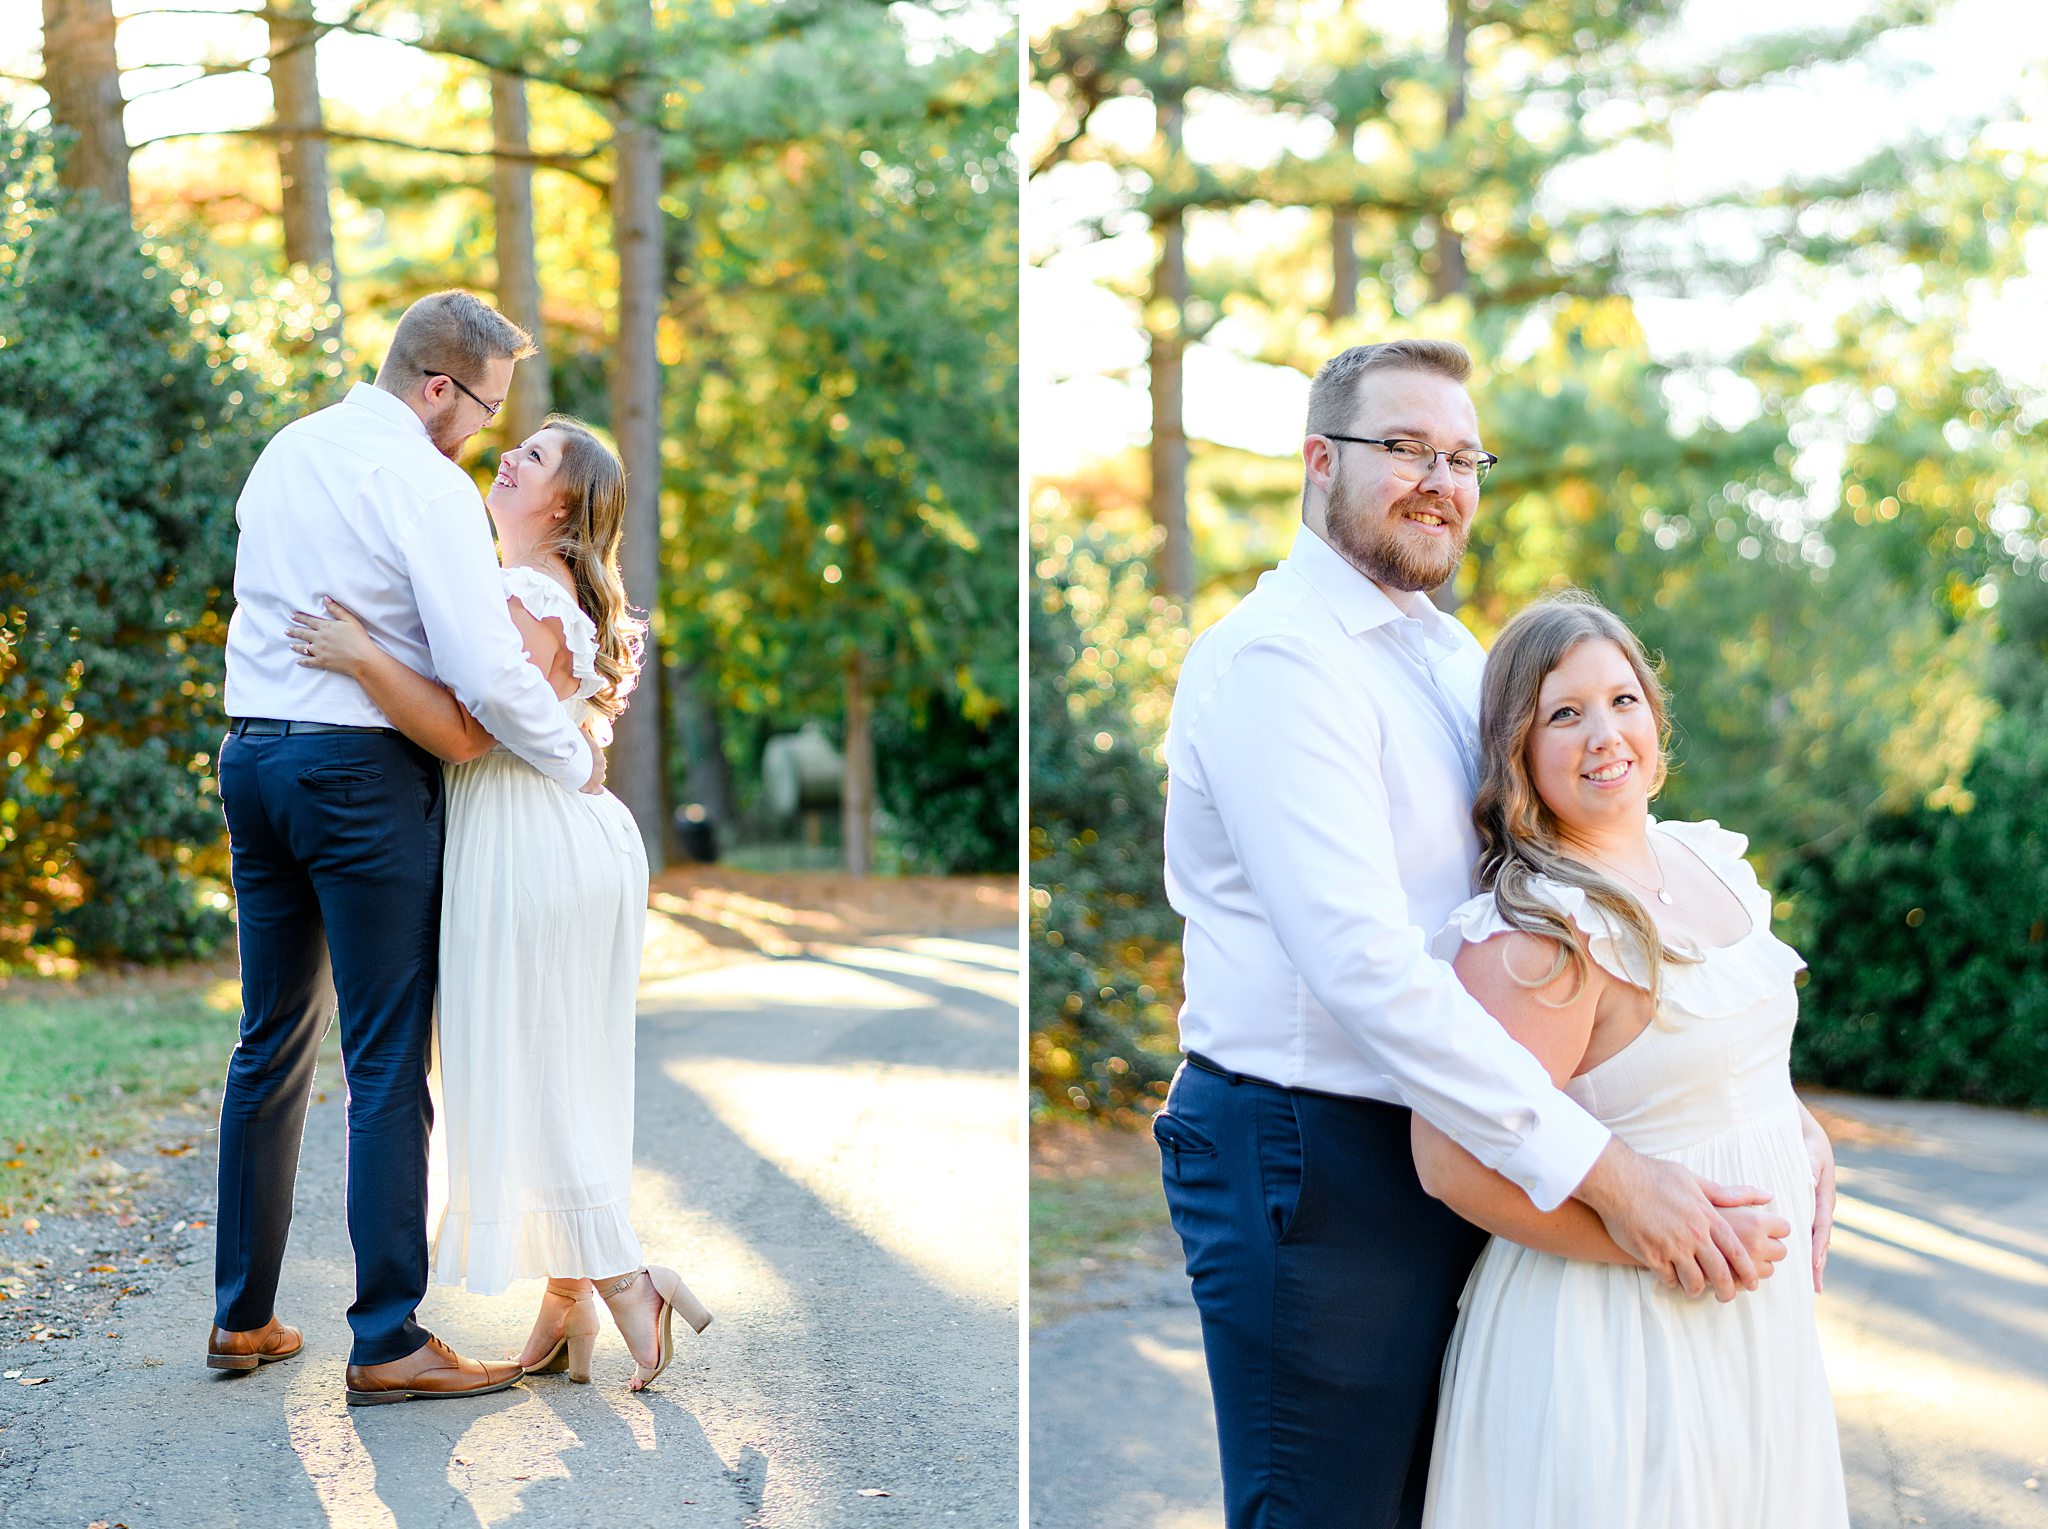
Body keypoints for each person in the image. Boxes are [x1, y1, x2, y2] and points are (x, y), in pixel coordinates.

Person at [1153, 338, 1820, 1528]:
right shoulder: (1276, 663)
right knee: (1328, 1511)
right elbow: (1361, 965)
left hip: (1461, 1137)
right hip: (1311, 1156)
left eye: (1461, 455)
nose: (1439, 480)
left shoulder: (1446, 655)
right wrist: (1609, 1172)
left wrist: (1748, 1114)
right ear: (1318, 460)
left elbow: (1560, 887)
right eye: (1403, 447)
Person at [211, 290, 604, 1405]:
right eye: (483, 407)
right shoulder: (422, 483)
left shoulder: (287, 450)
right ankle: (387, 1336)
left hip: (253, 756)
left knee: (270, 1038)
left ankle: (243, 1317)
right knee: (385, 1057)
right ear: (440, 386)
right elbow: (484, 673)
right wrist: (572, 760)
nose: (482, 434)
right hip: (356, 776)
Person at [286, 415, 712, 1392]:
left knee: (532, 1062)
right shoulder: (549, 591)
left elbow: (462, 727)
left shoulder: (523, 593)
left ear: (561, 503)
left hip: (532, 841)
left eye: (533, 456)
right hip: (567, 839)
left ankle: (626, 1279)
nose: (508, 457)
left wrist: (358, 655)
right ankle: (564, 1305)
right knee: (557, 1057)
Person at [1414, 594, 1847, 1527]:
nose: (1603, 732)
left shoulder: (1707, 859)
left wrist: (1796, 1127)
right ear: (1518, 751)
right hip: (1612, 1340)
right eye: (1563, 713)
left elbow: (1720, 1053)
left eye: (1622, 699)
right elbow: (1446, 1159)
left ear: (1654, 712)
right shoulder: (1541, 931)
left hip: (1750, 1330)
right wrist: (1645, 1236)